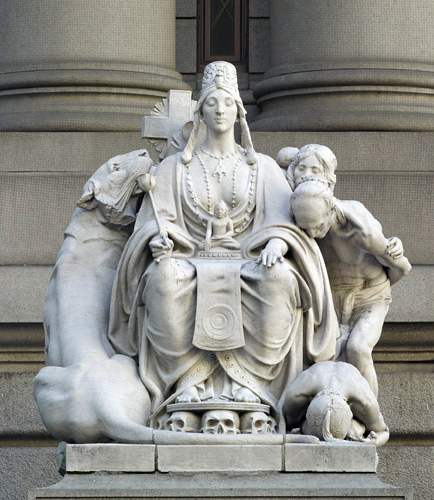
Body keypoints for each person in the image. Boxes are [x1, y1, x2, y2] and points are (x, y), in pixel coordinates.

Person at [108, 62, 339, 429]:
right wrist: (158, 240)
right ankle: (185, 381)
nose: (220, 110)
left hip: (250, 264)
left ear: (238, 112)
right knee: (164, 278)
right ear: (200, 111)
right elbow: (154, 221)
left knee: (278, 278)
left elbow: (285, 225)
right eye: (212, 103)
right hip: (188, 261)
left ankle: (252, 385)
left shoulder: (262, 168)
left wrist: (278, 242)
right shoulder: (173, 169)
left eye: (227, 103)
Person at [290, 180, 411, 396]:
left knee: (358, 348)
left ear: (331, 209)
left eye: (318, 226)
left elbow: (402, 268)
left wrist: (371, 292)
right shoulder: (305, 227)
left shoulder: (362, 231)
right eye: (305, 228)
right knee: (319, 358)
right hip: (328, 299)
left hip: (368, 298)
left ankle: (373, 419)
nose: (313, 234)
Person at [283, 361, 390, 446]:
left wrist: (373, 442)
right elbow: (290, 425)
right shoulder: (296, 395)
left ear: (351, 413)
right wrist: (303, 428)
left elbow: (383, 431)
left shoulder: (365, 402)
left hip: (352, 383)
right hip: (317, 377)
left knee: (353, 432)